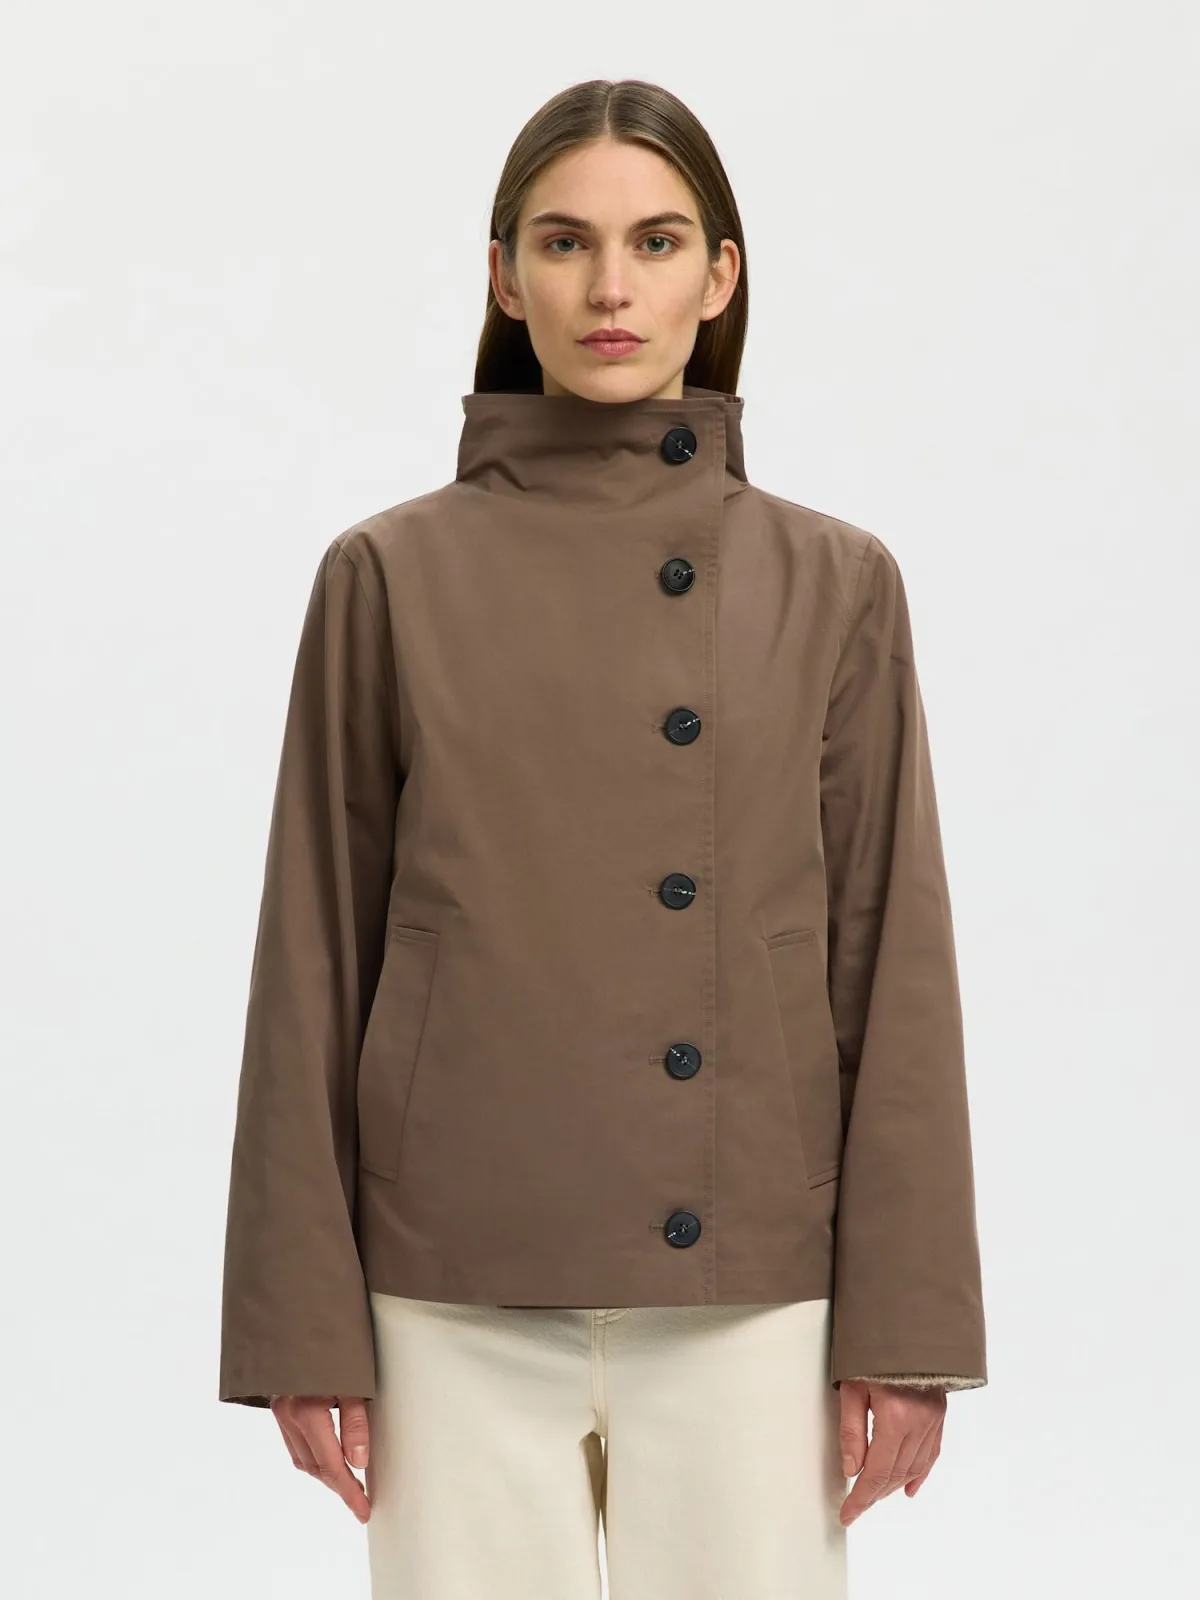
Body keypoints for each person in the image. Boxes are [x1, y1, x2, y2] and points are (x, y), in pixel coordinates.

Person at [218, 76, 987, 1599]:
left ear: (723, 274)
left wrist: (905, 1331)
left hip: (751, 1285)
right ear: (506, 279)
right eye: (565, 243)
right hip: (449, 1282)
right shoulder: (387, 577)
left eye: (657, 241)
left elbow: (889, 956)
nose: (612, 288)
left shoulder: (835, 582)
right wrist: (304, 1321)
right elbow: (312, 953)